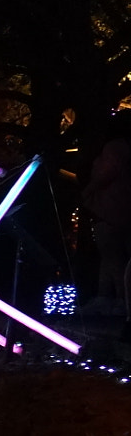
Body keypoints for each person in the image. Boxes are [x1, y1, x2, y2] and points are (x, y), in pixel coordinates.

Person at [84, 111, 131, 317]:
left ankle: (121, 300)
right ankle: (106, 296)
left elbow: (106, 172)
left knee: (112, 254)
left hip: (111, 208)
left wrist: (88, 190)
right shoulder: (126, 147)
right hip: (119, 208)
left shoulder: (115, 148)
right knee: (110, 255)